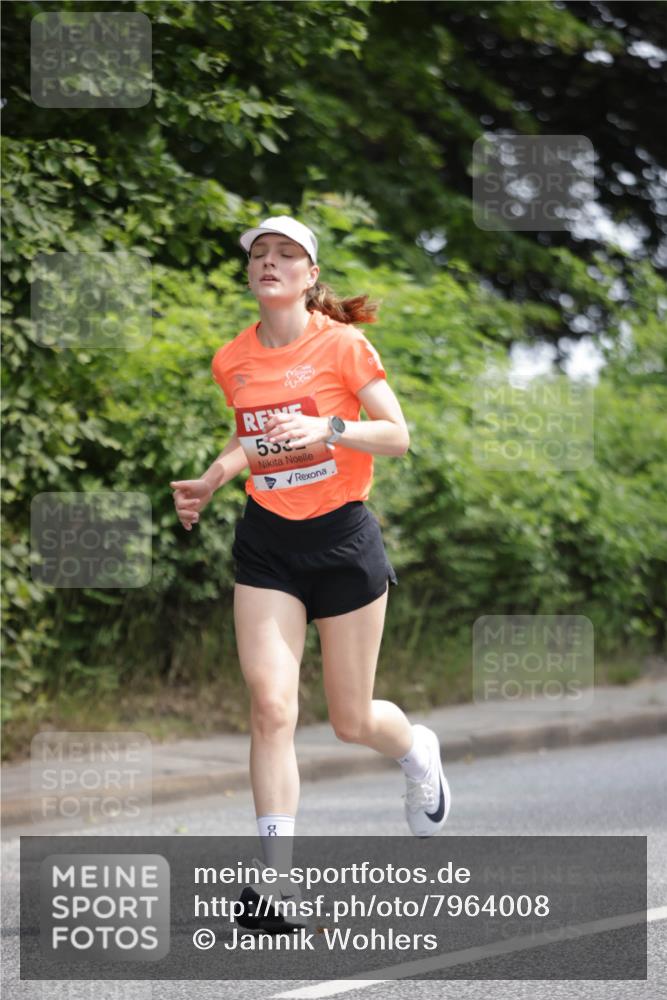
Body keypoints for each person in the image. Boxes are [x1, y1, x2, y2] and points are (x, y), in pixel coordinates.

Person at [170, 216, 451, 929]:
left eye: (284, 254)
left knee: (352, 721)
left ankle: (417, 750)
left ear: (308, 276)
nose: (268, 262)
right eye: (258, 254)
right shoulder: (231, 359)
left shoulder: (342, 346)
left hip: (342, 540)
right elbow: (249, 434)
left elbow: (398, 435)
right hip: (266, 544)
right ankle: (277, 885)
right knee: (271, 708)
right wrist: (213, 478)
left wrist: (329, 429)